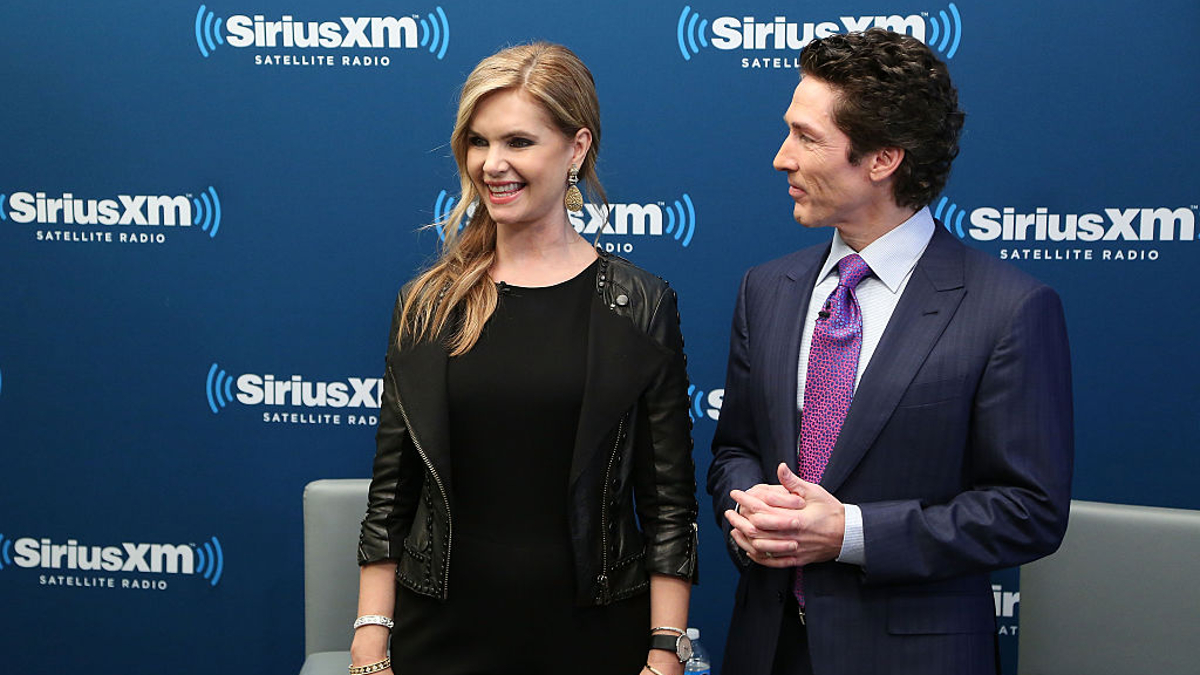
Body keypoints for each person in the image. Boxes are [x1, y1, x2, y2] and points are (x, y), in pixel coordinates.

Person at [707, 28, 1073, 675]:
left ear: (881, 159)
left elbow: (1029, 511)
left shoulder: (1007, 308)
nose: (780, 158)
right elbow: (734, 449)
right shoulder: (765, 289)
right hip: (764, 649)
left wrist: (849, 532)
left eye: (806, 137)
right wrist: (752, 507)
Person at [352, 43, 698, 675]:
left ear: (576, 148)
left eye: (518, 141)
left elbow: (669, 502)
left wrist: (665, 650)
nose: (493, 164)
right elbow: (391, 496)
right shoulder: (427, 304)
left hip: (595, 635)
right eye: (479, 143)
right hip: (441, 635)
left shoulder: (640, 304)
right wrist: (370, 641)